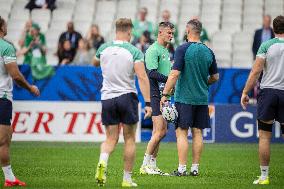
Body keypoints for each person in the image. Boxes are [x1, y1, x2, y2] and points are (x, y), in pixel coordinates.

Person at [93, 18, 152, 187]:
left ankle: (103, 161)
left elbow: (94, 62)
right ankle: (126, 180)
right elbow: (141, 76)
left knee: (110, 139)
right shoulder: (134, 51)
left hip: (108, 98)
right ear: (128, 32)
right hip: (127, 97)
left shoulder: (103, 48)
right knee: (129, 139)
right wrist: (148, 102)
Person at [161, 19, 219, 176]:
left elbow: (174, 74)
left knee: (181, 132)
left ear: (187, 31)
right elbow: (215, 77)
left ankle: (181, 169)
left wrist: (165, 94)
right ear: (200, 32)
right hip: (201, 98)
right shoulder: (208, 51)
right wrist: (203, 83)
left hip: (184, 98)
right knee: (198, 132)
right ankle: (195, 169)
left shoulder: (182, 49)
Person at [241, 15, 284, 185]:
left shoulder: (267, 45)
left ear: (273, 29)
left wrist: (245, 92)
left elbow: (256, 71)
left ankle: (264, 177)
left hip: (269, 93)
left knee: (265, 137)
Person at [0, 16, 40, 187]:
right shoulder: (6, 47)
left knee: (6, 136)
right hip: (1, 97)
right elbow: (15, 75)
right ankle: (9, 179)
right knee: (3, 139)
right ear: (2, 28)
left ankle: (10, 178)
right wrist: (30, 87)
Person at [140, 21, 174, 176]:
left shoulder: (165, 50)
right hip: (156, 94)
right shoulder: (153, 50)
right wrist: (170, 79)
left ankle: (152, 165)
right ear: (160, 32)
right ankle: (144, 164)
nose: (171, 35)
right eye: (169, 33)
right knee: (159, 131)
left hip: (164, 95)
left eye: (172, 33)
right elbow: (151, 73)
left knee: (162, 131)